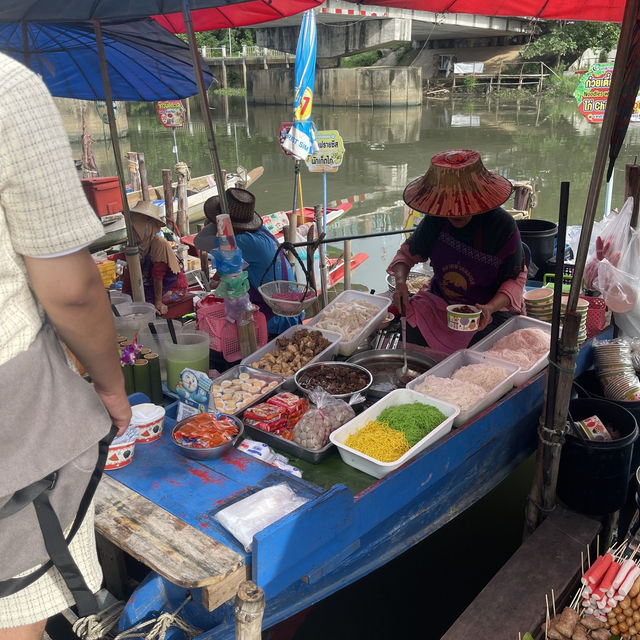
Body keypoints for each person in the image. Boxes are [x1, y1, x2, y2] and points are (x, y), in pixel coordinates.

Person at [0, 53, 131, 639]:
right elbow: (72, 290)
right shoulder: (8, 88)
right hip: (13, 414)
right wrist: (109, 384)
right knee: (17, 607)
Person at [388, 149, 527, 354]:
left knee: (484, 351)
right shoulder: (436, 219)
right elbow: (406, 255)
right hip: (441, 303)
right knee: (403, 331)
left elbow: (515, 280)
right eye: (448, 207)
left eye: (463, 206)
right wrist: (400, 284)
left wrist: (489, 308)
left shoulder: (502, 226)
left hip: (488, 311)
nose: (455, 212)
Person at [198, 187, 302, 337]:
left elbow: (203, 242)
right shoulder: (262, 232)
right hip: (287, 308)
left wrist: (215, 225)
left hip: (278, 319)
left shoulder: (246, 241)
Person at [122, 201, 188, 315]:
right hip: (149, 284)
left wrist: (158, 302)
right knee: (128, 302)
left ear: (148, 225)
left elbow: (158, 276)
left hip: (170, 287)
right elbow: (130, 271)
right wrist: (125, 292)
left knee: (146, 306)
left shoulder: (159, 244)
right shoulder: (138, 245)